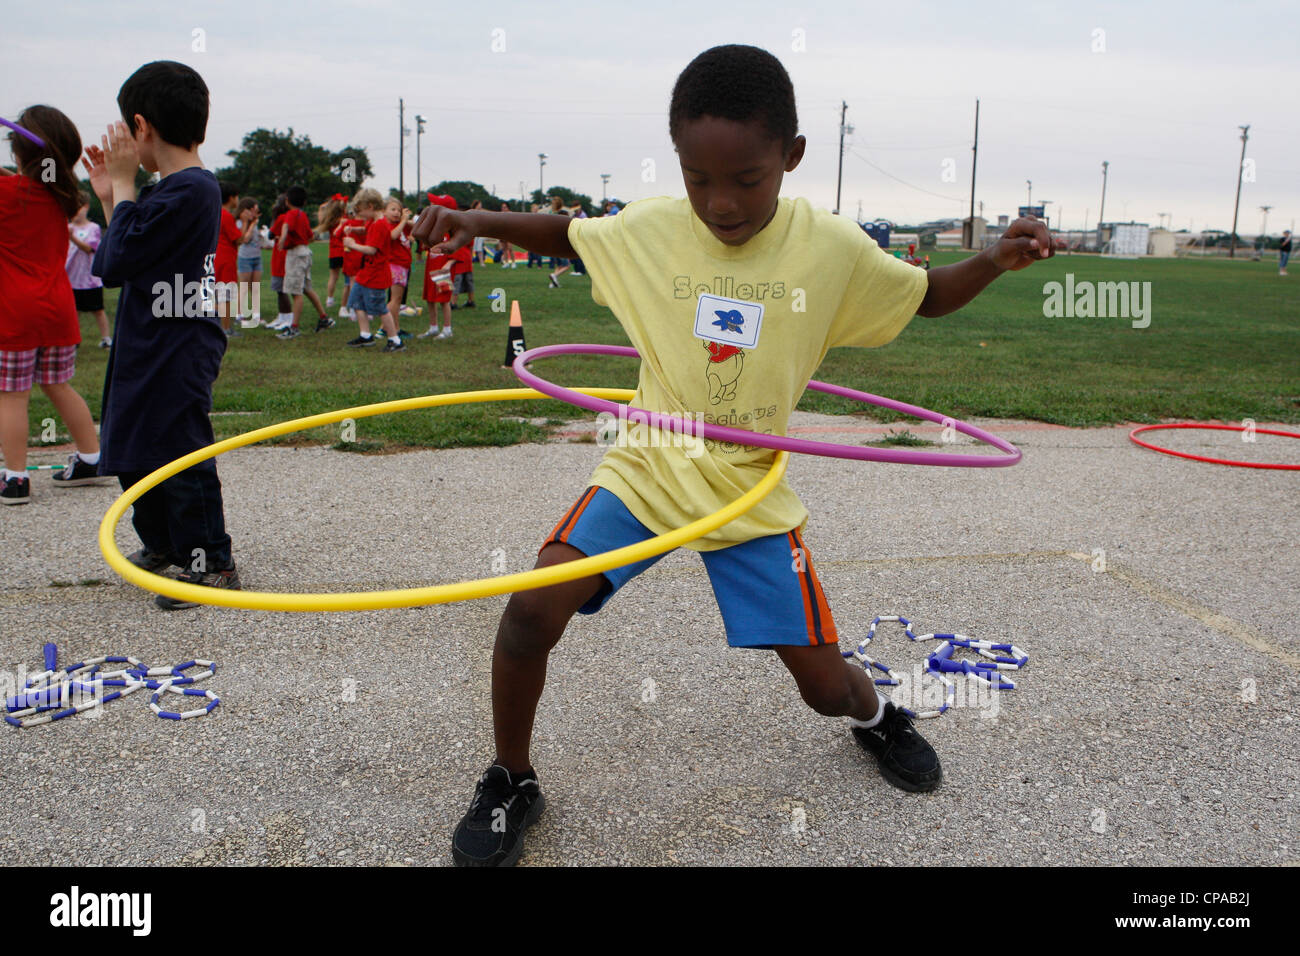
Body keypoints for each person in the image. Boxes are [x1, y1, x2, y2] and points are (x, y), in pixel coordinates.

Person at [413, 43, 1056, 867]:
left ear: (790, 157)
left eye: (746, 180)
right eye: (697, 178)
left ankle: (877, 715)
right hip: (650, 464)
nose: (719, 203)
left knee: (826, 690)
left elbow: (925, 297)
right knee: (530, 609)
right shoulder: (651, 229)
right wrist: (476, 220)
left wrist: (996, 261)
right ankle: (510, 779)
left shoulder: (831, 249)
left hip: (747, 489)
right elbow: (570, 236)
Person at [82, 60, 240, 608]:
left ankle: (210, 560)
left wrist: (124, 186)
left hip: (178, 345)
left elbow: (117, 259)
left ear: (142, 127)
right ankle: (169, 545)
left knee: (177, 448)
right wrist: (110, 197)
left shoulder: (191, 189)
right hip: (147, 340)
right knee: (131, 444)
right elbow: (115, 256)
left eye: (128, 132)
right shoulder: (167, 190)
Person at [0, 106, 106, 505]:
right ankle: (91, 458)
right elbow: (27, 183)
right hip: (57, 308)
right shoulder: (62, 195)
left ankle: (14, 478)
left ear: (17, 151)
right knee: (58, 385)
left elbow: (15, 187)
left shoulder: (8, 194)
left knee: (11, 396)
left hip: (15, 312)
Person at [341, 188, 401, 351]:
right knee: (355, 301)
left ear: (370, 206)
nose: (359, 215)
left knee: (380, 308)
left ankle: (395, 340)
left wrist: (353, 245)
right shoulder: (373, 223)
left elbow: (372, 249)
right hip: (366, 273)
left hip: (376, 274)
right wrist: (353, 230)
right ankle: (366, 336)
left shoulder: (379, 225)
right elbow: (366, 230)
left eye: (360, 211)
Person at [276, 184, 331, 338]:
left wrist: (283, 239)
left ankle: (294, 327)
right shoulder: (303, 215)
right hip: (305, 252)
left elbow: (286, 226)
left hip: (295, 254)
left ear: (287, 201)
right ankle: (323, 317)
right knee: (307, 288)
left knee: (296, 293)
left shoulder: (291, 214)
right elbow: (311, 236)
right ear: (304, 202)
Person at [67, 191, 112, 348]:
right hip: (71, 279)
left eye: (78, 207)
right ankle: (74, 340)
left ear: (86, 207)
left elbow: (89, 248)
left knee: (98, 310)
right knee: (73, 312)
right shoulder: (67, 227)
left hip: (90, 279)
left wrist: (72, 238)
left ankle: (106, 339)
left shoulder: (93, 228)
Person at [214, 181, 243, 336]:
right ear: (231, 198)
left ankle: (219, 327)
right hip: (227, 260)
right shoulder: (226, 215)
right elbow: (238, 239)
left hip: (217, 259)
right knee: (225, 296)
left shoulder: (216, 213)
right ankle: (225, 329)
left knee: (219, 295)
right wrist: (245, 222)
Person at [383, 197, 415, 333]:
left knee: (397, 300)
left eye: (398, 210)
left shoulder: (402, 224)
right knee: (395, 300)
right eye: (392, 209)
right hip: (395, 265)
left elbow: (416, 226)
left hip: (403, 266)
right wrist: (402, 221)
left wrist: (406, 219)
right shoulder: (387, 225)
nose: (396, 213)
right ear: (384, 212)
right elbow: (392, 236)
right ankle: (384, 327)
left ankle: (395, 328)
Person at [234, 196, 263, 326]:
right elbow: (244, 239)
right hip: (245, 257)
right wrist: (252, 225)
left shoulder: (254, 222)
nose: (255, 214)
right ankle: (239, 314)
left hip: (257, 257)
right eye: (253, 210)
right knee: (244, 286)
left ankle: (256, 314)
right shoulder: (240, 223)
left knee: (255, 287)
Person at [265, 194, 292, 330]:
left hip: (280, 257)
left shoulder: (281, 218)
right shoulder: (289, 217)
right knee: (280, 290)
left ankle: (287, 317)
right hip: (283, 255)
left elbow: (270, 234)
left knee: (281, 290)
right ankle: (282, 316)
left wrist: (273, 217)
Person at [319, 194, 347, 310]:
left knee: (333, 277)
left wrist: (321, 208)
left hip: (334, 252)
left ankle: (329, 299)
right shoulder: (344, 218)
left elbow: (321, 221)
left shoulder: (330, 220)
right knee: (348, 280)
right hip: (346, 251)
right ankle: (345, 304)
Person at [546, 195, 571, 288]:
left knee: (559, 265)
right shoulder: (563, 214)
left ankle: (553, 283)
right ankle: (554, 276)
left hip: (552, 241)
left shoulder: (550, 214)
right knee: (566, 265)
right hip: (561, 241)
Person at [497, 202, 517, 268]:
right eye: (502, 207)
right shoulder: (500, 214)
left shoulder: (511, 214)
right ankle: (506, 263)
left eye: (505, 207)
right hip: (502, 233)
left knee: (510, 248)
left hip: (509, 233)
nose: (503, 208)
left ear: (508, 208)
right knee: (504, 249)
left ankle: (513, 262)